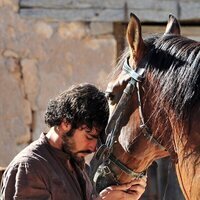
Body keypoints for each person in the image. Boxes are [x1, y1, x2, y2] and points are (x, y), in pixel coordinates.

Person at [0, 83, 146, 200]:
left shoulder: (80, 167)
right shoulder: (30, 167)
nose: (94, 148)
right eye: (89, 137)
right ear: (65, 123)